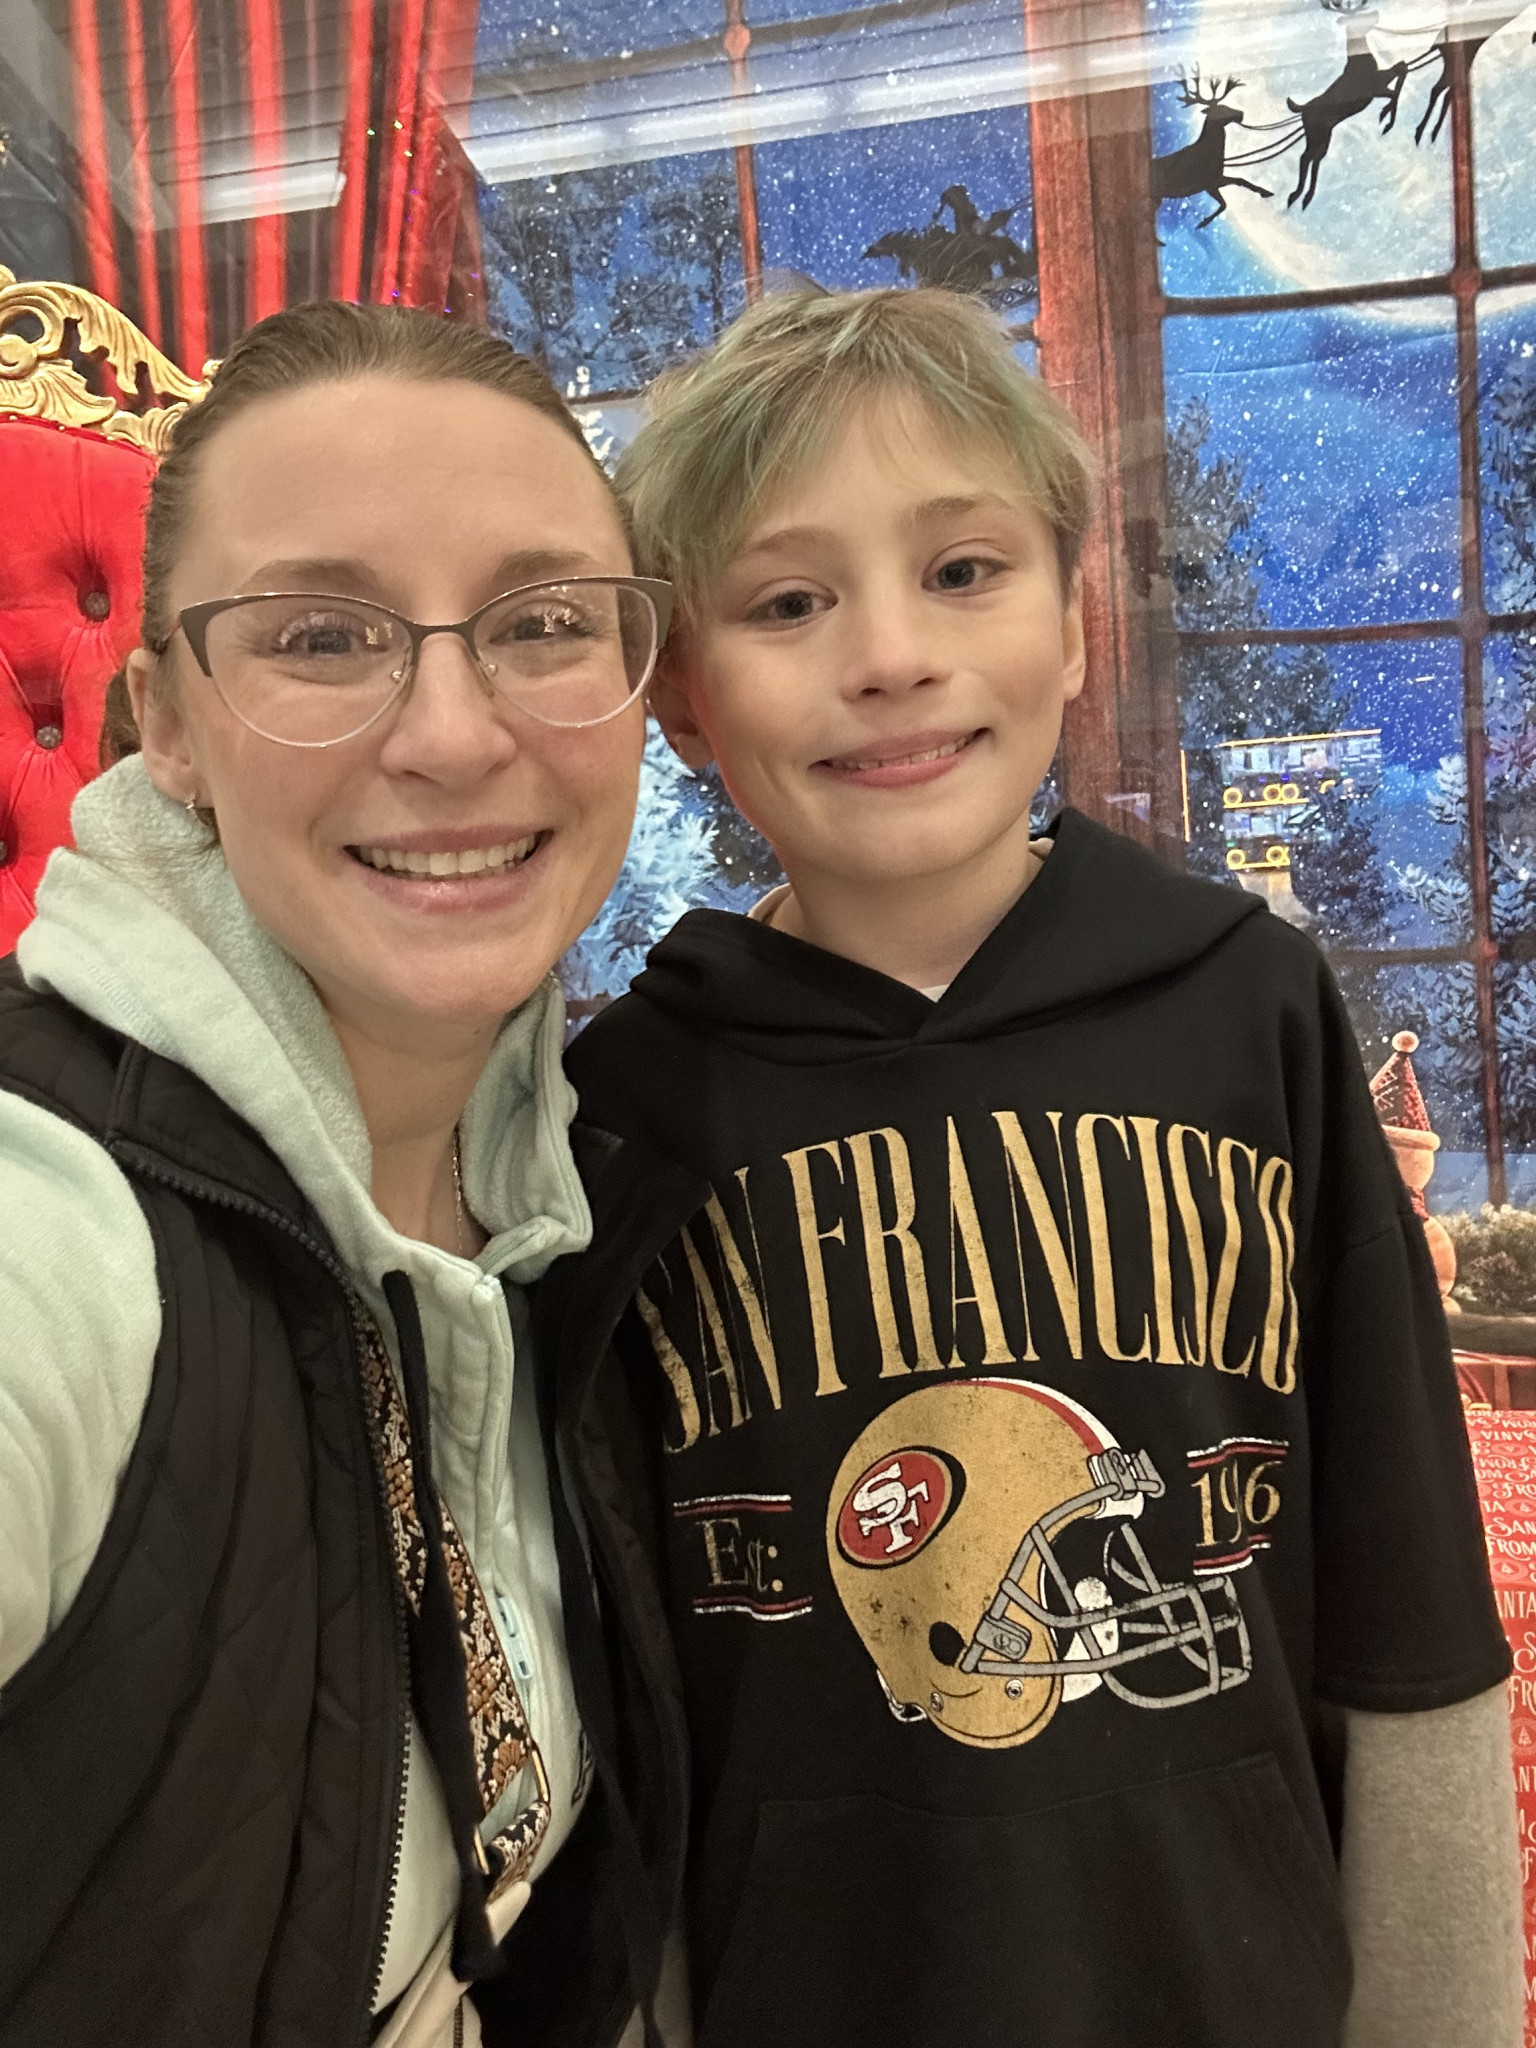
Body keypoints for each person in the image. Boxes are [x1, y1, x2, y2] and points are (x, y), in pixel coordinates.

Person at [550, 287, 1522, 2048]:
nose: (889, 655)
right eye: (787, 601)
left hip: (1239, 1983)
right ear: (682, 697)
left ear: (1075, 624)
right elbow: (621, 1712)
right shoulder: (626, 1110)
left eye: (962, 571)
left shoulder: (1249, 1007)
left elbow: (1410, 1595)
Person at [0, 300, 683, 2047]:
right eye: (320, 635)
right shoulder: (46, 1228)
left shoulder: (571, 1178)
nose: (452, 734)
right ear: (167, 721)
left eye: (542, 623)